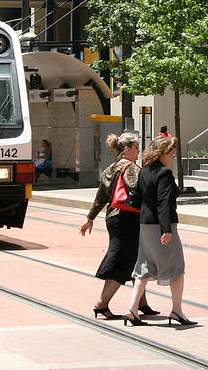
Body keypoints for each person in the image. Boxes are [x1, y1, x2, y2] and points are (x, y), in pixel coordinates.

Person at [78, 133, 156, 320]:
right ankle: (102, 303)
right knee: (123, 260)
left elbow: (101, 197)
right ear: (127, 149)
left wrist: (90, 217)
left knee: (137, 259)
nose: (138, 151)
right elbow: (137, 189)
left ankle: (141, 303)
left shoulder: (110, 168)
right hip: (127, 218)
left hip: (113, 218)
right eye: (136, 147)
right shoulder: (130, 168)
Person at [124, 135, 196, 327]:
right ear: (162, 154)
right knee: (177, 268)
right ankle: (177, 310)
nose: (172, 157)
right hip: (161, 226)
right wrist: (166, 229)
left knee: (144, 267)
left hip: (145, 225)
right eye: (171, 153)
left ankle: (132, 310)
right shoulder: (164, 173)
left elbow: (136, 198)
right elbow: (163, 202)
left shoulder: (145, 170)